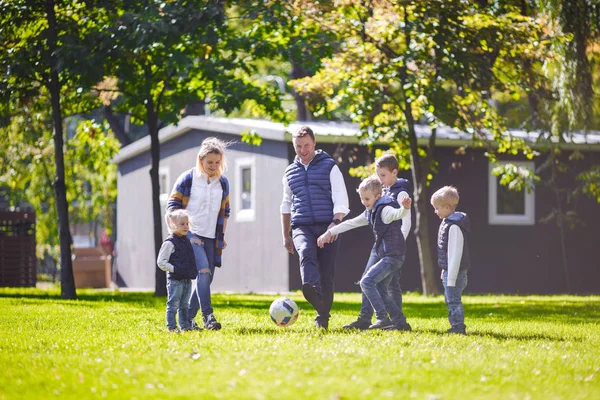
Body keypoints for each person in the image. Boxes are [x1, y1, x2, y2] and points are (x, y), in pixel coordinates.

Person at [318, 175, 412, 330]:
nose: (364, 202)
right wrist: (329, 233)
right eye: (362, 198)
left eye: (367, 199)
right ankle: (401, 323)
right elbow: (351, 223)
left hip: (393, 255)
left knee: (366, 282)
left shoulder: (385, 210)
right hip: (387, 254)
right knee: (381, 289)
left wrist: (404, 208)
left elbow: (397, 214)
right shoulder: (370, 211)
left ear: (378, 196)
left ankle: (382, 318)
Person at [281, 126, 349, 329]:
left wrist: (335, 225)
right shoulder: (290, 172)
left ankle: (322, 317)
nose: (303, 150)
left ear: (314, 144)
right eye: (298, 146)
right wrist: (286, 235)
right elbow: (286, 204)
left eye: (306, 145)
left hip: (328, 224)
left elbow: (341, 199)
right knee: (305, 252)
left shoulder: (329, 166)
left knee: (327, 273)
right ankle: (310, 287)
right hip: (301, 225)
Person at [343, 151, 413, 331]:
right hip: (384, 247)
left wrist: (396, 247)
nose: (379, 178)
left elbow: (404, 219)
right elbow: (361, 218)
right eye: (377, 174)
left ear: (394, 172)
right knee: (380, 285)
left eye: (382, 175)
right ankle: (394, 322)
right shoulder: (384, 191)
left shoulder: (399, 192)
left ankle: (387, 320)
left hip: (392, 250)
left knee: (376, 283)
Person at [167, 137, 231, 331]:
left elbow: (225, 212)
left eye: (217, 162)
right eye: (209, 162)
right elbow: (171, 208)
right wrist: (180, 234)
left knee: (208, 276)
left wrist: (222, 236)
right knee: (203, 271)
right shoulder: (188, 179)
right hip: (191, 235)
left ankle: (188, 319)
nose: (213, 166)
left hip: (211, 236)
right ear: (201, 159)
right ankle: (208, 317)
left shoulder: (223, 183)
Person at [430, 186, 471, 335]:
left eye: (437, 208)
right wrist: (444, 271)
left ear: (447, 207)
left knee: (453, 300)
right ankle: (455, 325)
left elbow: (455, 255)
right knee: (450, 299)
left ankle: (458, 327)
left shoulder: (454, 227)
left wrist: (451, 277)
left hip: (456, 273)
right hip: (450, 271)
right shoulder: (447, 223)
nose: (435, 211)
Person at [157, 210, 198, 332]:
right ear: (173, 225)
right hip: (175, 281)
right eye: (182, 224)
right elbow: (161, 262)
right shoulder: (170, 243)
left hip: (186, 280)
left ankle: (185, 326)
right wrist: (174, 269)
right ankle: (172, 327)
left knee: (185, 305)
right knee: (173, 305)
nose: (186, 226)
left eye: (187, 223)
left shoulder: (187, 241)